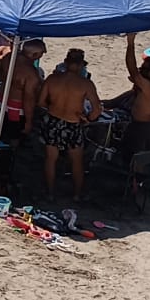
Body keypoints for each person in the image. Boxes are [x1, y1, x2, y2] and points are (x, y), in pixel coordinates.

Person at [38, 49, 101, 197]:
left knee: (50, 159)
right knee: (76, 162)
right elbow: (97, 109)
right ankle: (77, 195)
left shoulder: (53, 79)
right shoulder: (86, 84)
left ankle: (50, 193)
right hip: (73, 123)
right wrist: (88, 119)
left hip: (53, 120)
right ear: (81, 65)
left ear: (65, 63)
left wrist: (53, 107)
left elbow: (40, 102)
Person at [105, 26, 150, 159]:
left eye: (144, 69)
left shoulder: (148, 86)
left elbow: (132, 69)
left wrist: (130, 42)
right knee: (143, 157)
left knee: (129, 157)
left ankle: (132, 178)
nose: (141, 70)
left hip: (139, 127)